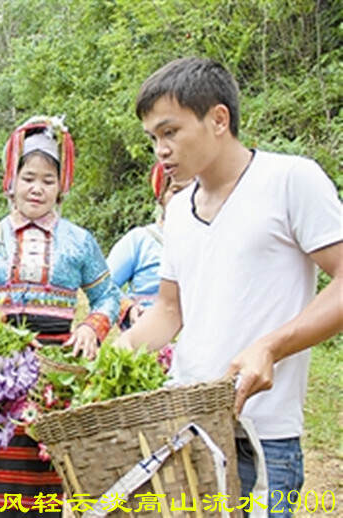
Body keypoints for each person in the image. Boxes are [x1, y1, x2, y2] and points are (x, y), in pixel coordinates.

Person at [118, 57, 342, 515]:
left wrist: (272, 347)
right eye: (153, 139)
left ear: (219, 119)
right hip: (182, 425)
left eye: (170, 132)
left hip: (259, 436)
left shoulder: (289, 181)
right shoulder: (179, 211)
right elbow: (169, 311)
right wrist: (112, 355)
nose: (161, 150)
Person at [0, 116, 122, 517]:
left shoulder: (80, 241)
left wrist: (89, 328)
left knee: (38, 471)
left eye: (48, 180)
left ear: (62, 186)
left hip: (52, 374)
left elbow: (108, 298)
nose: (37, 188)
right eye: (28, 177)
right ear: (10, 180)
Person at [107, 163, 192, 330]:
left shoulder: (208, 241)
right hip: (146, 338)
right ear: (160, 196)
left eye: (192, 191)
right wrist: (128, 307)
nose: (185, 198)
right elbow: (104, 284)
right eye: (176, 191)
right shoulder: (140, 240)